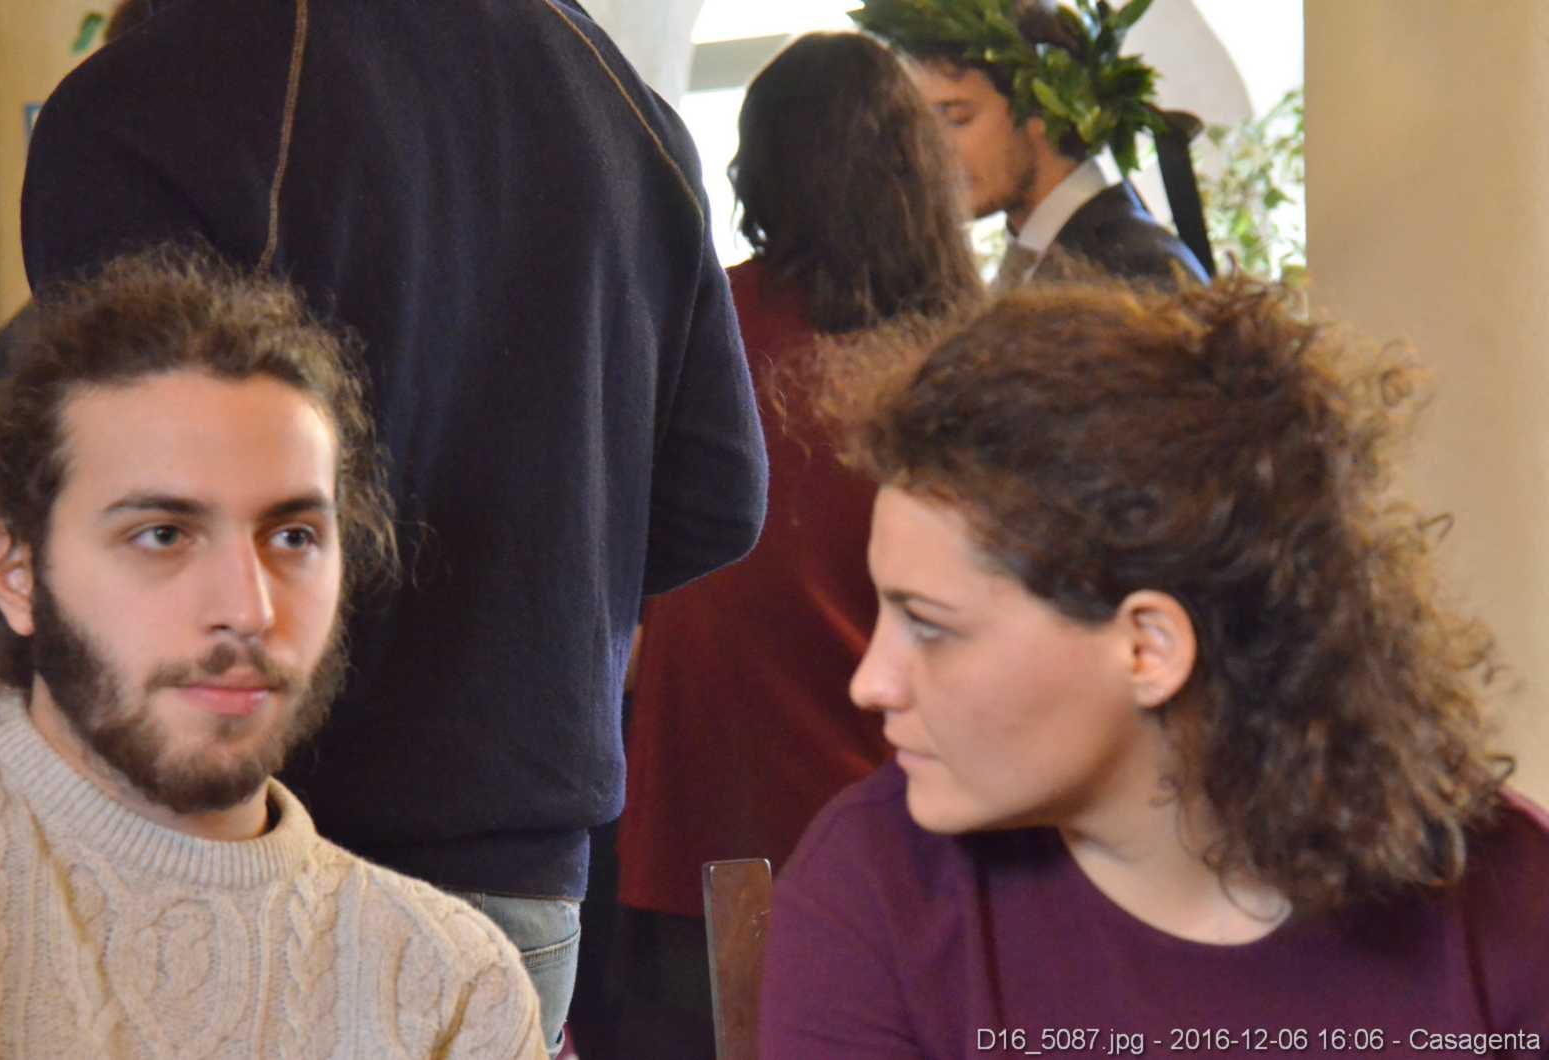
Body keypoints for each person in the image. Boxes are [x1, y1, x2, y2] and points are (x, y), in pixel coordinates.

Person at [19, 1, 770, 1049]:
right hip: (522, 870)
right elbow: (717, 496)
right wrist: (542, 589)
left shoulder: (149, 96)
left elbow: (131, 502)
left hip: (230, 854)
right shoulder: (614, 97)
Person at [758, 277, 1549, 1056]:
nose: (871, 682)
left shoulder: (1511, 900)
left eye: (930, 627)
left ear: (1149, 649)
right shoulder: (871, 895)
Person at [0, 247, 546, 1058]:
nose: (249, 610)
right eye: (162, 535)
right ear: (18, 577)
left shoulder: (452, 989)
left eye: (293, 537)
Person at [601, 32, 981, 1057]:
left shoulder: (704, 321)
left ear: (758, 167)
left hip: (702, 819)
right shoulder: (967, 359)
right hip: (910, 824)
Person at [855, 0, 1209, 289]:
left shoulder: (1133, 272)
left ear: (1042, 108)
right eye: (925, 129)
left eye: (957, 118)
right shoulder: (1040, 258)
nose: (933, 154)